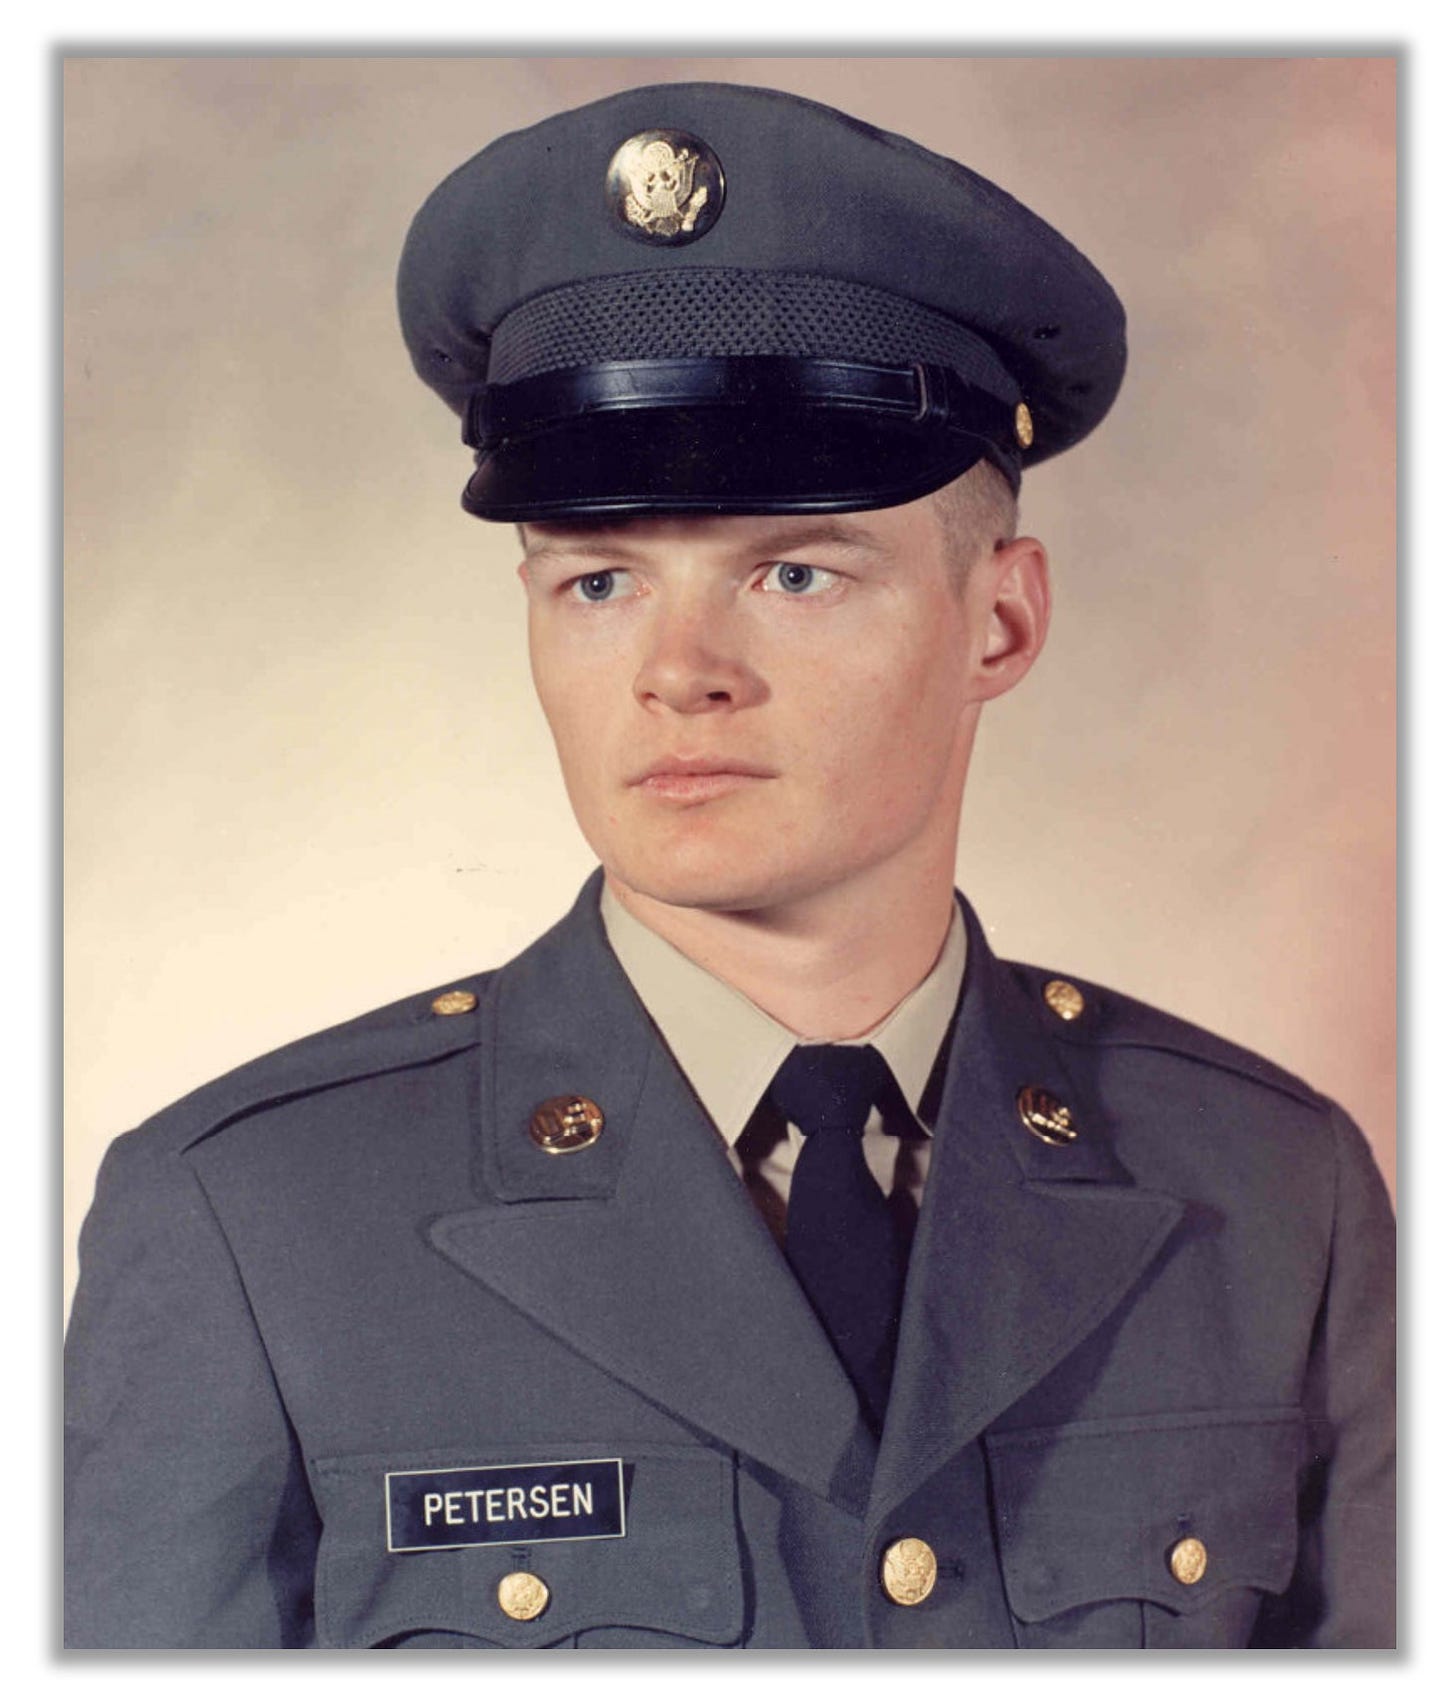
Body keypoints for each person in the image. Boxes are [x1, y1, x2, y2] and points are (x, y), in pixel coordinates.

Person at [63, 80, 1395, 1650]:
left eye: (796, 570)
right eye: (603, 580)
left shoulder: (1269, 1194)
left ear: (1002, 621)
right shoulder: (251, 1222)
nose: (678, 671)